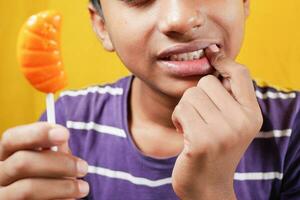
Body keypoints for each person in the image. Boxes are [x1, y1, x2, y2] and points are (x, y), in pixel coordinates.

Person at [0, 0, 299, 199]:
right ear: (102, 26)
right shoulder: (66, 126)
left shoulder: (293, 129)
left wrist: (211, 191)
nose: (180, 19)